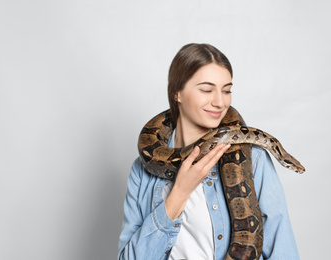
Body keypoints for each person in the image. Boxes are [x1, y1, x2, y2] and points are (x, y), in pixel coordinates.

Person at [118, 43, 299, 260]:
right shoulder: (142, 170)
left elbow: (283, 253)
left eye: (227, 90)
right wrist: (179, 193)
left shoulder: (256, 159)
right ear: (177, 93)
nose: (220, 102)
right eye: (206, 89)